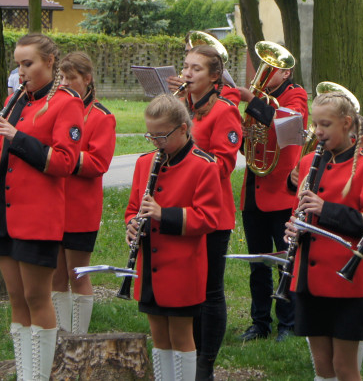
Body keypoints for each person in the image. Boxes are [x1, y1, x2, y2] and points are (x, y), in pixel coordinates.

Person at [0, 33, 84, 381]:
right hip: (4, 213)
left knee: (38, 298)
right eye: (18, 64)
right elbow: (8, 162)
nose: (21, 72)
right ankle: (25, 373)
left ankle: (39, 376)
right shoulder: (17, 101)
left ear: (50, 62)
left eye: (28, 64)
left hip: (38, 216)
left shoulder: (67, 103)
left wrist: (17, 138)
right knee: (16, 299)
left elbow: (65, 162)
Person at [285, 90, 363, 381]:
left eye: (325, 125)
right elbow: (298, 212)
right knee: (321, 366)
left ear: (346, 123)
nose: (318, 132)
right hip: (308, 277)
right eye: (316, 125)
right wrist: (293, 228)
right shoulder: (307, 164)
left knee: (345, 368)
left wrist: (326, 210)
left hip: (346, 280)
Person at [126, 94, 221, 381]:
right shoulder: (145, 163)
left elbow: (208, 217)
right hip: (149, 267)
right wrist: (132, 224)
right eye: (150, 135)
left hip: (183, 267)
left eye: (161, 136)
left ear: (183, 128)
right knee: (159, 337)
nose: (155, 142)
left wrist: (163, 214)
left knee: (181, 336)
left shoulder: (203, 165)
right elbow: (133, 207)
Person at [179, 43, 242, 380]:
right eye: (186, 67)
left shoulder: (225, 112)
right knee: (186, 287)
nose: (187, 73)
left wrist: (187, 155)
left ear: (214, 77)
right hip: (179, 207)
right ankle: (187, 352)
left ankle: (205, 363)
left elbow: (223, 165)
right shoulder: (181, 105)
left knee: (210, 290)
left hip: (211, 213)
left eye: (196, 69)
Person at [236, 56, 307, 344]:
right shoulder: (261, 99)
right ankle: (259, 321)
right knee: (258, 263)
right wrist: (244, 136)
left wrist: (252, 100)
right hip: (254, 189)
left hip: (282, 192)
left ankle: (288, 323)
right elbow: (249, 145)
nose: (265, 74)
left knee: (285, 260)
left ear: (286, 72)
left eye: (271, 69)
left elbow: (288, 126)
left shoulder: (296, 94)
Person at [51, 52, 116, 334]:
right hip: (54, 204)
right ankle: (62, 336)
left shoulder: (102, 116)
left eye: (71, 78)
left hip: (81, 208)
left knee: (78, 275)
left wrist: (64, 157)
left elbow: (98, 163)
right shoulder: (55, 108)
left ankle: (79, 338)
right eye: (61, 77)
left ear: (87, 80)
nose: (64, 83)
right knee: (55, 277)